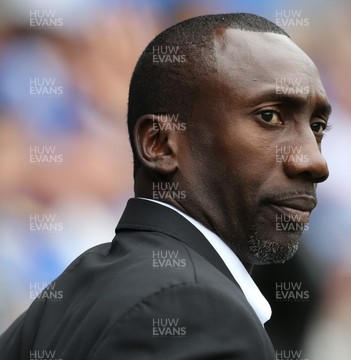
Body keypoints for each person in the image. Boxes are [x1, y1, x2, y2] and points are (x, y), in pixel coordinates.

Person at [0, 13, 331, 359]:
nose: (316, 161)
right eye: (269, 116)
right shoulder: (197, 311)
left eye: (319, 126)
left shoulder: (68, 295)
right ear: (159, 144)